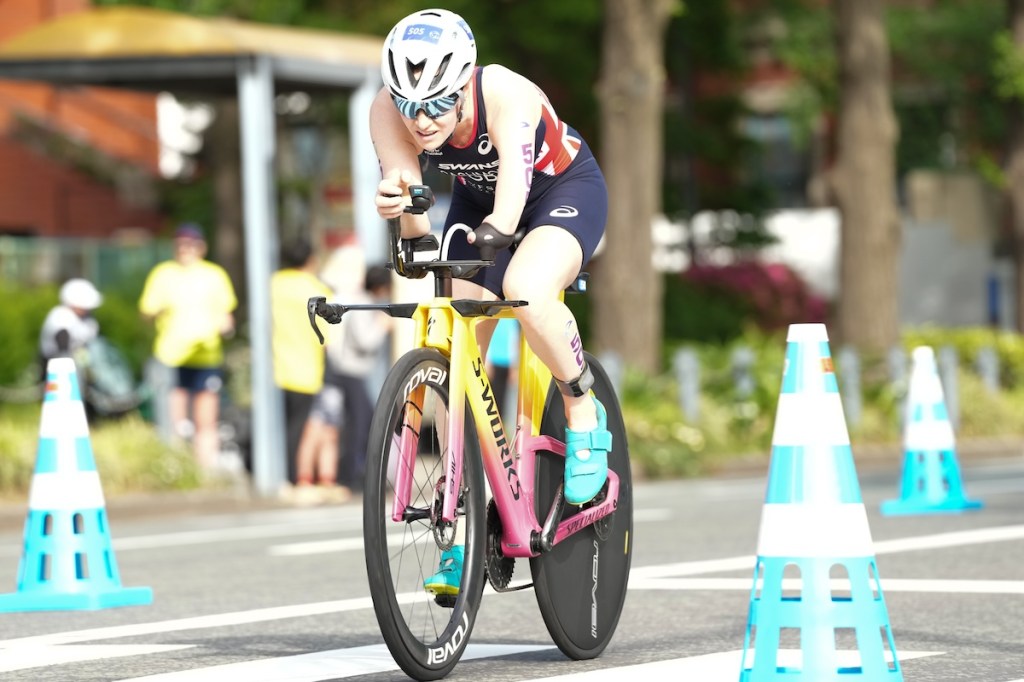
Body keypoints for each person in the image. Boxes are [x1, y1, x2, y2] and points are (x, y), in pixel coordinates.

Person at [371, 9, 612, 596]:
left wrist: (498, 240)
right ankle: (463, 526)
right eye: (409, 104)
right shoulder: (387, 111)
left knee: (525, 289)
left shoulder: (504, 91)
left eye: (435, 104)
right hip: (476, 208)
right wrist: (399, 209)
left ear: (463, 84)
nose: (420, 120)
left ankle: (582, 406)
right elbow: (416, 216)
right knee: (452, 353)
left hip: (556, 190)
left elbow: (511, 202)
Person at [138, 223, 237, 472]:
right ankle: (177, 470)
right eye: (181, 244)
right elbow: (147, 310)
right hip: (172, 355)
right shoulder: (164, 273)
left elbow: (226, 312)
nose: (186, 249)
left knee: (206, 419)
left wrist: (225, 326)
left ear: (201, 247)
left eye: (191, 244)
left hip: (205, 354)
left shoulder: (214, 275)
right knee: (175, 419)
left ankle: (205, 470)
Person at [270, 238, 333, 501]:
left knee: (276, 425)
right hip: (305, 368)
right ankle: (292, 478)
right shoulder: (316, 288)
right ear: (310, 259)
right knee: (297, 428)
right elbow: (327, 335)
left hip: (274, 366)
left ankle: (276, 475)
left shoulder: (273, 284)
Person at [332, 265, 394, 495]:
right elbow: (365, 341)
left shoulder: (366, 303)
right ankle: (351, 477)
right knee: (360, 426)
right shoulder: (363, 306)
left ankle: (361, 476)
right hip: (350, 372)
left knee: (363, 424)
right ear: (380, 286)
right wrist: (382, 327)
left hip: (355, 372)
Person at [39, 278, 103, 367]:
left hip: (80, 367)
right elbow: (62, 347)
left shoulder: (88, 320)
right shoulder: (61, 315)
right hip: (57, 367)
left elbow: (92, 345)